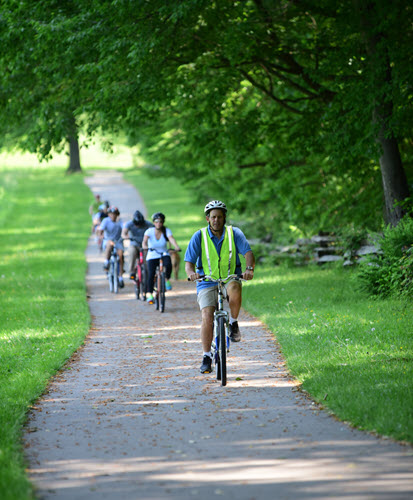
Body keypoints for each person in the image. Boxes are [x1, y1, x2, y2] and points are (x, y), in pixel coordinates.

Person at [185, 200, 255, 374]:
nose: (216, 220)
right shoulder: (199, 236)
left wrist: (249, 269)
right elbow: (189, 263)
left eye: (219, 217)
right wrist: (191, 273)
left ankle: (233, 323)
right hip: (206, 281)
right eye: (213, 217)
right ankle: (206, 356)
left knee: (235, 289)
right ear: (207, 219)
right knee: (207, 316)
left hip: (229, 278)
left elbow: (248, 253)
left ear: (224, 218)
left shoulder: (234, 233)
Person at [142, 212, 181, 304]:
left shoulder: (166, 230)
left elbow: (171, 239)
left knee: (168, 264)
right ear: (154, 222)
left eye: (160, 221)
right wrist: (145, 246)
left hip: (163, 253)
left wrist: (176, 247)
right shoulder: (149, 231)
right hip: (152, 254)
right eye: (156, 221)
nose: (158, 223)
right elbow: (144, 241)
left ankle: (167, 279)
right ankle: (150, 294)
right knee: (151, 274)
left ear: (163, 222)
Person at [97, 206, 125, 288]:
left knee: (120, 255)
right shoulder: (106, 221)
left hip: (118, 241)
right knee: (109, 245)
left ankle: (120, 277)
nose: (113, 216)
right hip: (108, 239)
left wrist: (125, 234)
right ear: (109, 214)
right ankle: (106, 261)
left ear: (117, 215)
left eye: (115, 214)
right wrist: (101, 235)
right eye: (111, 214)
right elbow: (101, 230)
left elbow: (124, 229)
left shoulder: (120, 221)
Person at [121, 210, 153, 279]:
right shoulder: (129, 224)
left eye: (140, 224)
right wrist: (126, 237)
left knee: (147, 258)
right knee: (132, 252)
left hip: (144, 244)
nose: (138, 226)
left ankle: (147, 272)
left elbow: (154, 230)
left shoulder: (147, 224)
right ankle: (131, 271)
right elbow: (123, 233)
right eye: (136, 224)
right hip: (134, 243)